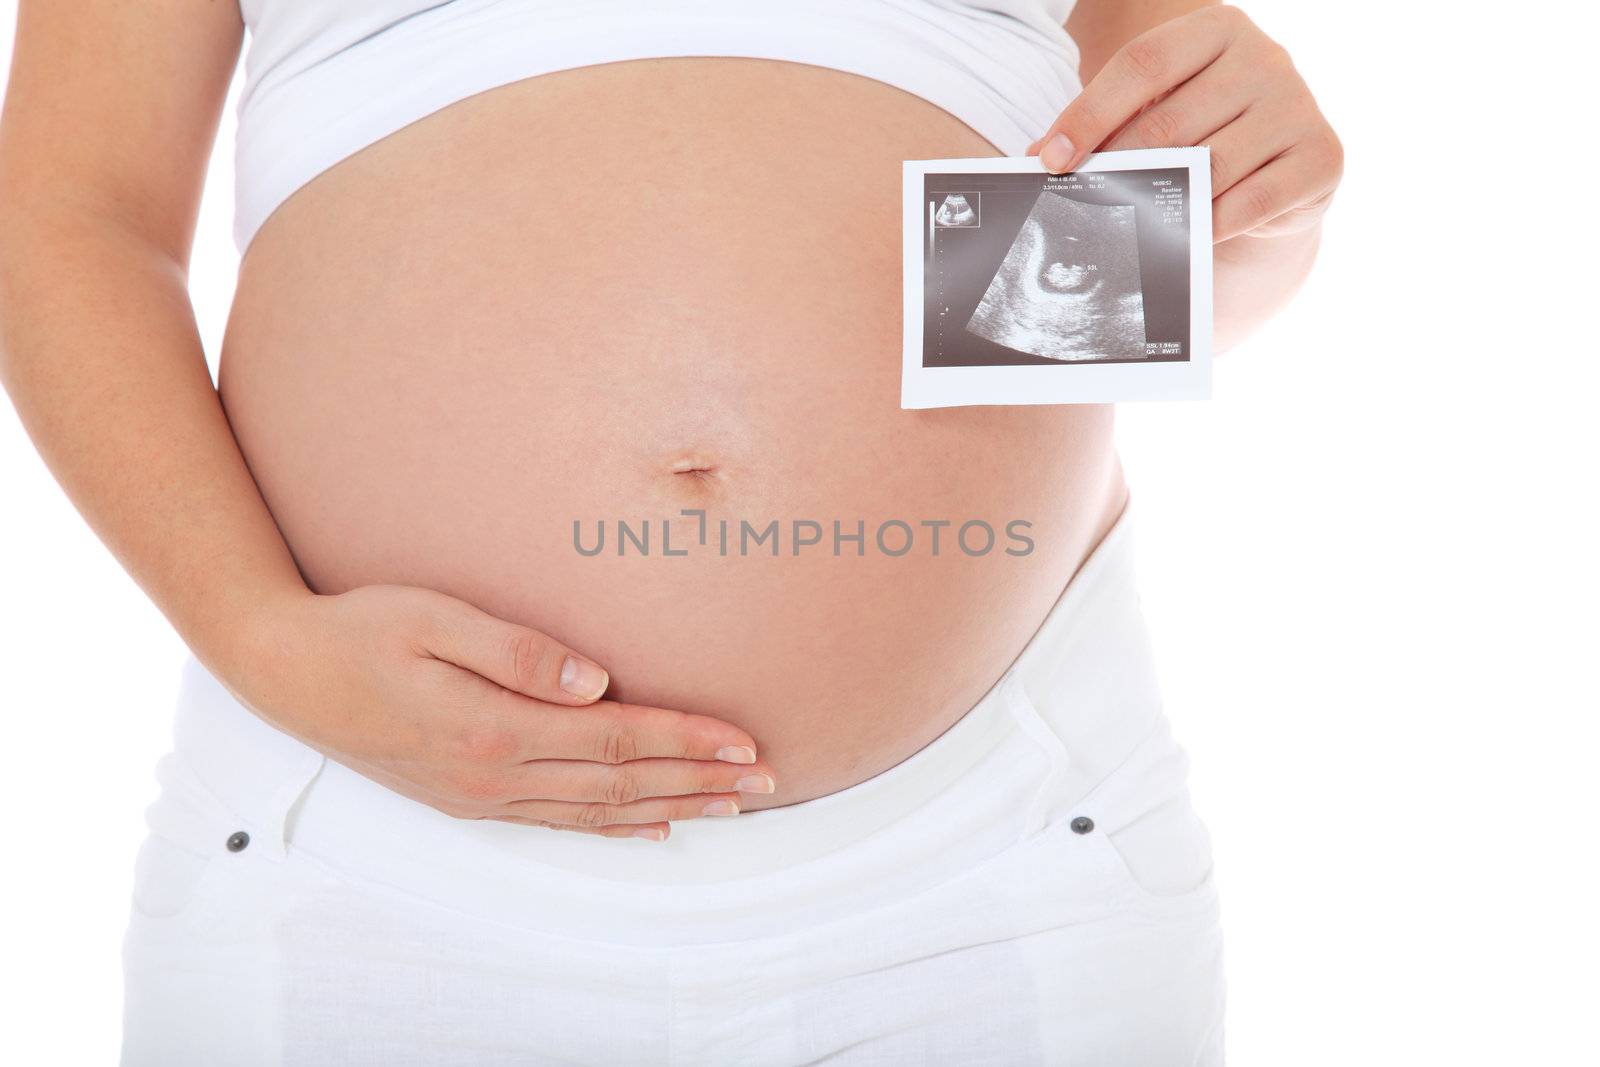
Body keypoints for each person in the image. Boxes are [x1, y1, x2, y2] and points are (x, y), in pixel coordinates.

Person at [0, 0, 1341, 1062]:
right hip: (361, 863)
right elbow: (74, 215)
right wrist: (256, 635)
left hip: (988, 862)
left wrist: (1274, 211)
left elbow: (1125, 236)